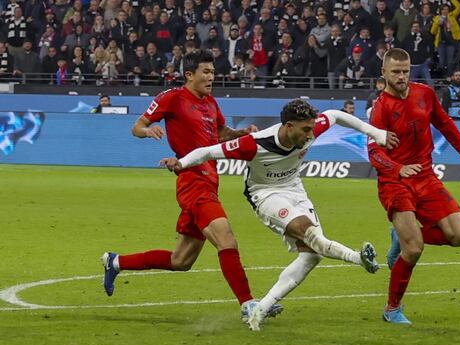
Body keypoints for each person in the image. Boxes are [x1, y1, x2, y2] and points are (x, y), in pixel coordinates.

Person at [161, 99, 399, 330]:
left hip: (295, 188)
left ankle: (260, 308)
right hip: (265, 194)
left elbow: (338, 116)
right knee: (311, 235)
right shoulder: (254, 144)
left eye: (312, 129)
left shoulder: (313, 128)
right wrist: (180, 164)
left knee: (311, 256)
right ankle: (360, 259)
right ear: (288, 127)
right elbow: (207, 152)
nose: (310, 135)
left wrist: (376, 133)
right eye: (305, 130)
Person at [100, 50, 273, 327]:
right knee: (225, 237)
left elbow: (219, 134)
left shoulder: (211, 103)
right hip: (192, 182)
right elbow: (137, 126)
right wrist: (149, 132)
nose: (211, 77)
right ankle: (248, 304)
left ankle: (116, 262)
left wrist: (242, 134)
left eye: (213, 73)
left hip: (210, 182)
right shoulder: (173, 98)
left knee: (180, 260)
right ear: (189, 75)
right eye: (205, 72)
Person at [368, 48, 460, 324]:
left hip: (426, 177)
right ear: (383, 73)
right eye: (395, 72)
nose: (401, 77)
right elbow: (373, 153)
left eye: (405, 71)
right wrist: (398, 168)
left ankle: (404, 235)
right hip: (395, 183)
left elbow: (445, 123)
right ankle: (392, 309)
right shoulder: (380, 108)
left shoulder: (425, 94)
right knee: (414, 249)